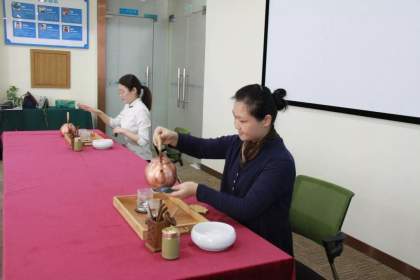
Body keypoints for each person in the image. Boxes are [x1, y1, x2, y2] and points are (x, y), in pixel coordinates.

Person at [153, 84, 296, 255]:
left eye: (243, 121)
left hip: (265, 247)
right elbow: (203, 147)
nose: (236, 125)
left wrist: (198, 190)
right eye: (235, 118)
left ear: (266, 120)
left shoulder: (280, 162)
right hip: (233, 229)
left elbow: (246, 209)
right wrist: (174, 138)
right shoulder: (240, 142)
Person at [79, 74, 153, 160]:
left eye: (122, 92)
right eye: (119, 92)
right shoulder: (128, 106)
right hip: (130, 153)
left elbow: (143, 141)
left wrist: (123, 131)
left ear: (133, 90)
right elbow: (113, 123)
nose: (120, 95)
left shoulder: (141, 110)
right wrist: (98, 112)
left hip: (141, 158)